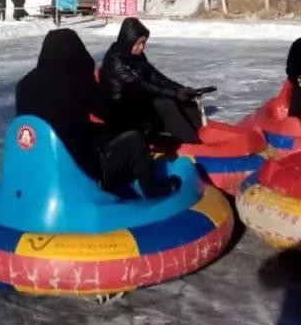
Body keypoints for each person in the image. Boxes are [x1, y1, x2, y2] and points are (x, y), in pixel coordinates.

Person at [15, 29, 165, 199]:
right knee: (135, 140)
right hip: (76, 170)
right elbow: (109, 113)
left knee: (95, 132)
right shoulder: (77, 81)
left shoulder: (24, 85)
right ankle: (153, 193)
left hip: (35, 164)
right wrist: (138, 122)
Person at [100, 17, 202, 145]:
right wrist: (174, 94)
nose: (142, 47)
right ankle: (193, 143)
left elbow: (155, 77)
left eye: (144, 43)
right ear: (128, 41)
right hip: (121, 111)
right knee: (165, 104)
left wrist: (180, 89)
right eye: (138, 43)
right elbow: (142, 86)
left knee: (183, 100)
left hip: (138, 102)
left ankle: (203, 132)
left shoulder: (136, 56)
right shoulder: (115, 61)